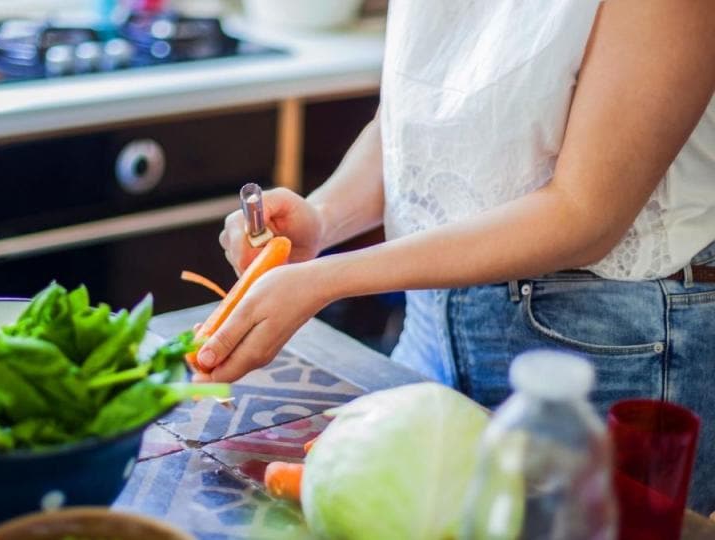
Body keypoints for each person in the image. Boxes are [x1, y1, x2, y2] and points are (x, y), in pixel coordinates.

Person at [193, 0, 715, 512]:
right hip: (430, 323)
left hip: (607, 348)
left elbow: (586, 214)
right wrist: (323, 217)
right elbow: (418, 125)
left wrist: (323, 280)